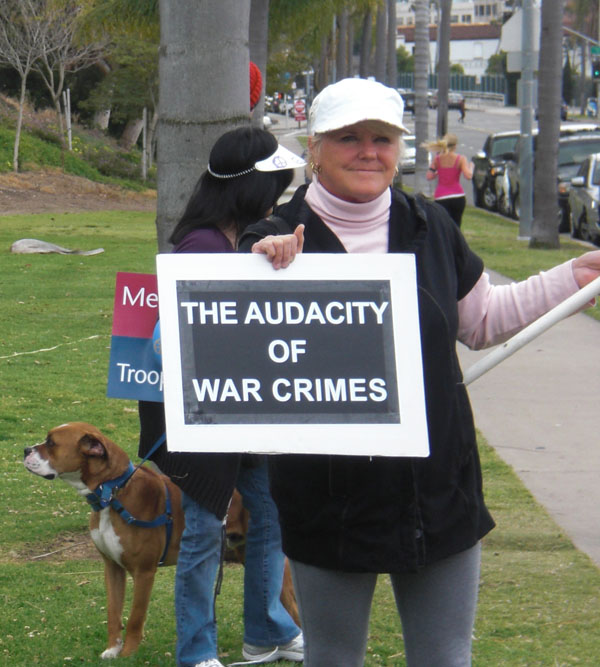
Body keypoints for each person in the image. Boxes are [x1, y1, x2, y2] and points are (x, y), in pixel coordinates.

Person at [237, 76, 600, 667]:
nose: (368, 152)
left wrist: (572, 279)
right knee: (332, 658)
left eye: (382, 139)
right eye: (349, 138)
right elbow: (241, 352)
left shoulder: (431, 225)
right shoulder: (276, 236)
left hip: (437, 487)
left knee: (445, 658)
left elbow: (482, 320)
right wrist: (259, 271)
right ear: (315, 149)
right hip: (326, 498)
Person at [139, 126, 305, 667]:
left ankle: (268, 630)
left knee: (269, 511)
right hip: (203, 415)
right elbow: (165, 347)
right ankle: (197, 650)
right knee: (205, 528)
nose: (279, 196)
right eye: (274, 185)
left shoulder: (240, 240)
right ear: (251, 187)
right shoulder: (203, 246)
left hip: (245, 409)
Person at [424, 133, 473, 227]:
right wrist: (471, 167)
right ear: (455, 146)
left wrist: (438, 172)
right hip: (457, 195)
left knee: (443, 226)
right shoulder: (461, 159)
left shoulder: (437, 159)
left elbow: (429, 176)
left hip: (441, 197)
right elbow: (468, 176)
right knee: (456, 226)